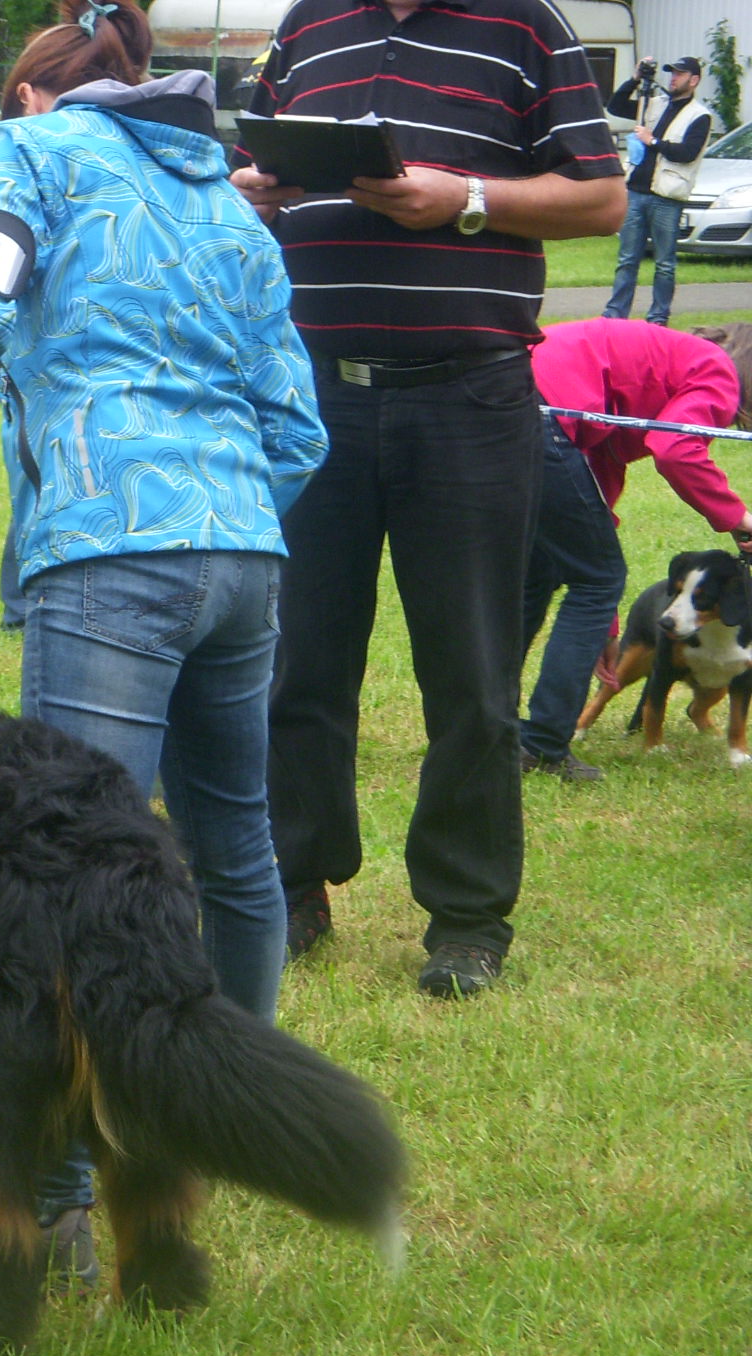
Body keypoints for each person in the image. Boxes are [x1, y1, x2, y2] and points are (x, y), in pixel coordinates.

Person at [0, 0, 327, 1302]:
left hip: (109, 554)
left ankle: (43, 1210)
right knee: (233, 859)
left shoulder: (28, 158)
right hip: (246, 559)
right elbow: (299, 421)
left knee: (56, 879)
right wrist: (221, 509)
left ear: (46, 101)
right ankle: (190, 1153)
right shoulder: (229, 205)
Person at [232, 0, 624, 998]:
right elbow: (245, 165)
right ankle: (293, 883)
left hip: (467, 395)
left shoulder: (525, 26)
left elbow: (599, 200)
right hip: (309, 391)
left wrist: (470, 199)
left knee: (471, 671)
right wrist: (248, 193)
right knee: (297, 661)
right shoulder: (309, 23)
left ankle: (464, 918)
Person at [521, 319, 752, 780]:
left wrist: (606, 629)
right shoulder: (717, 372)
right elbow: (674, 448)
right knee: (597, 577)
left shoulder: (678, 360)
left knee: (538, 573)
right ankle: (542, 745)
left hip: (503, 393)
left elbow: (592, 479)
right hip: (541, 407)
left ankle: (486, 731)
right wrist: (739, 519)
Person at [603, 57, 713, 328]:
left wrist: (652, 141)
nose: (673, 78)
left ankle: (658, 319)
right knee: (627, 259)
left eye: (679, 74)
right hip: (636, 192)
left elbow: (687, 154)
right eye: (671, 73)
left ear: (694, 80)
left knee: (665, 263)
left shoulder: (700, 116)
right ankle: (616, 316)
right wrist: (635, 78)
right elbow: (615, 105)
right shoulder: (654, 102)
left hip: (667, 197)